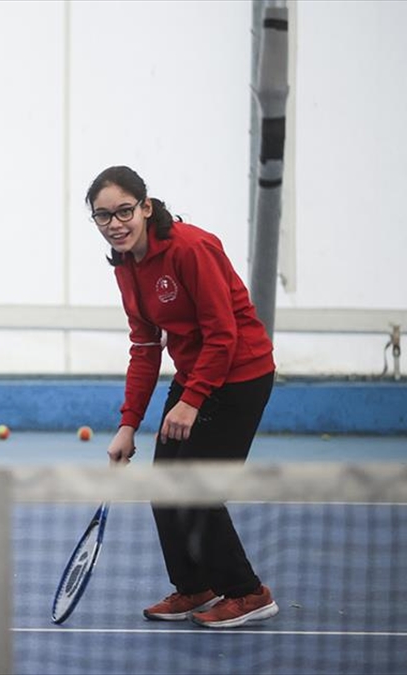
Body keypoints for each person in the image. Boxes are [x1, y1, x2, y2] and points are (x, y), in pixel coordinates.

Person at [86, 165, 279, 629]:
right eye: (103, 215)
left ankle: (248, 593)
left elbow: (223, 334)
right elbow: (144, 347)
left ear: (145, 207)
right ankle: (194, 587)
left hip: (241, 376)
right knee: (165, 485)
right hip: (197, 374)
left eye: (124, 211)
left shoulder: (191, 249)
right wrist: (128, 424)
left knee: (195, 489)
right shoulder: (126, 265)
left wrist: (191, 401)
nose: (115, 223)